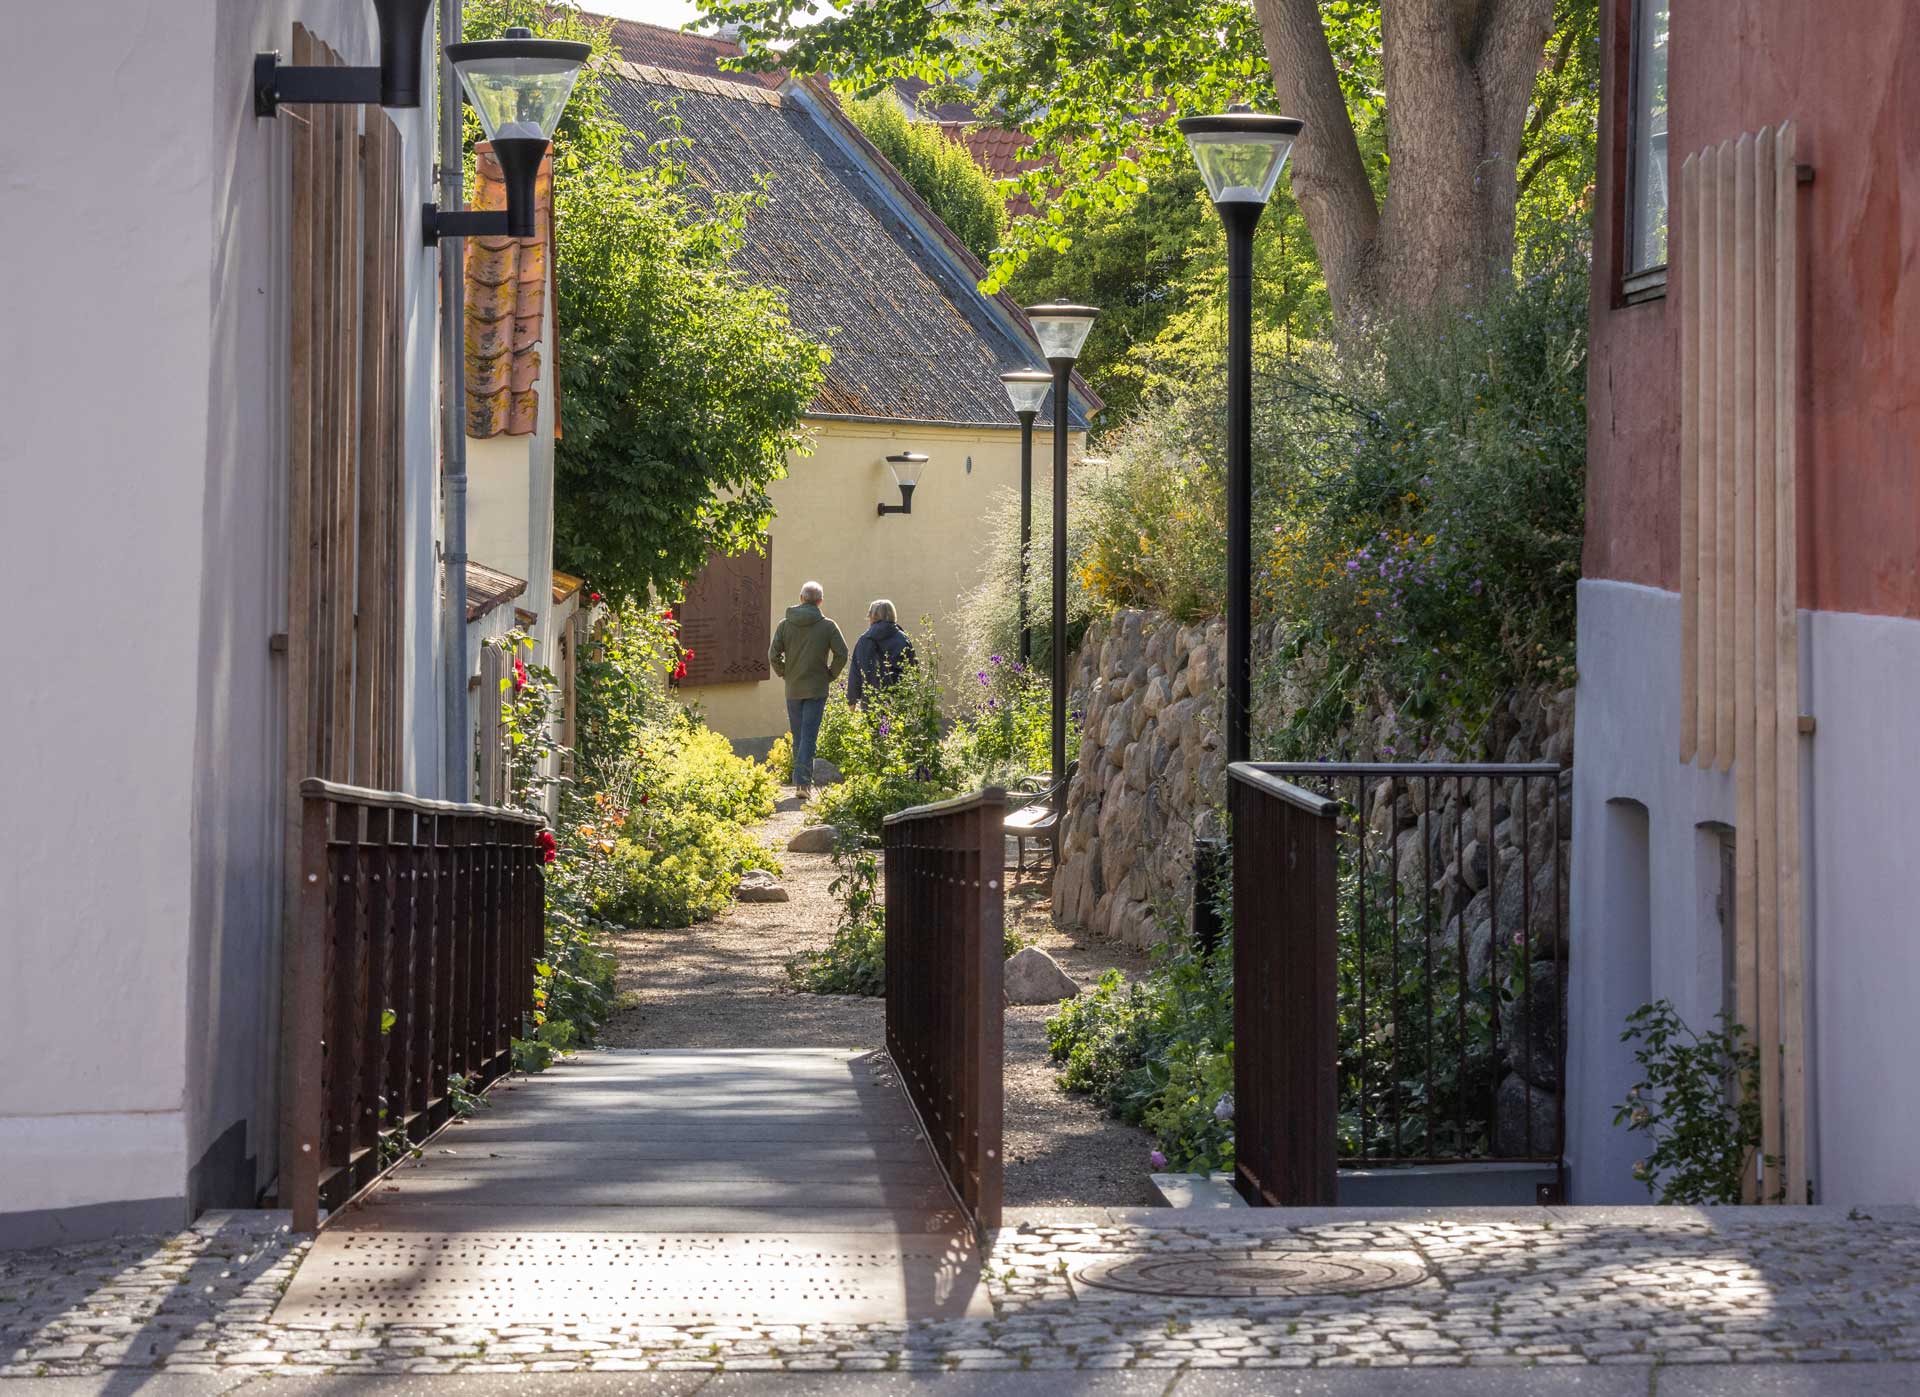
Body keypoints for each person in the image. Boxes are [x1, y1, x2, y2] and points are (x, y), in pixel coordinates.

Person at [768, 580, 848, 794]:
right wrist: (829, 675)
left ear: (801, 598)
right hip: (816, 688)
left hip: (793, 688)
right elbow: (842, 653)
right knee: (809, 736)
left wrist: (784, 672)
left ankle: (800, 781)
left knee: (798, 735)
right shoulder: (828, 626)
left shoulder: (785, 625)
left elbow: (773, 655)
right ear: (820, 601)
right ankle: (803, 783)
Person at [848, 599, 916, 709]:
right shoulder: (903, 639)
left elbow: (855, 672)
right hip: (898, 700)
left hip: (870, 700)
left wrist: (852, 701)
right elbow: (913, 670)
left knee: (873, 725)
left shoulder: (865, 640)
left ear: (873, 616)